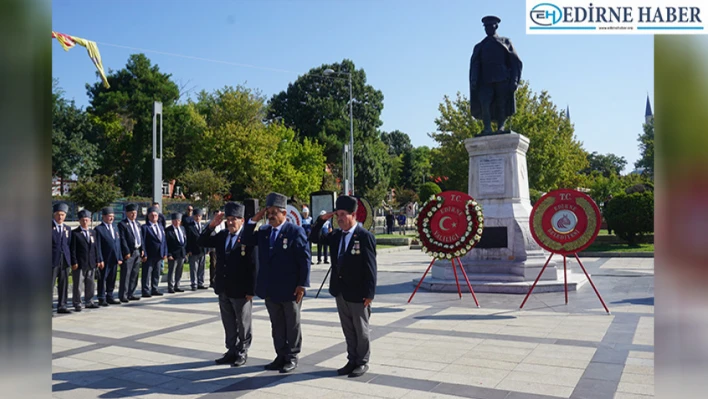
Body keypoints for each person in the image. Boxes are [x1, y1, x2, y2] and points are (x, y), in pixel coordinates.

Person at [241, 192, 310, 374]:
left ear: (284, 214)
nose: (270, 215)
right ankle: (280, 355)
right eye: (268, 212)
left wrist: (302, 284)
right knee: (277, 324)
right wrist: (253, 220)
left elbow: (304, 259)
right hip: (270, 288)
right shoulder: (264, 232)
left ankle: (292, 356)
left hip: (291, 288)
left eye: (274, 212)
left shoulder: (295, 232)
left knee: (292, 324)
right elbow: (246, 239)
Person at [312, 196, 377, 377]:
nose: (339, 218)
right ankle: (352, 359)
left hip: (358, 292)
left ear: (353, 215)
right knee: (348, 329)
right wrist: (321, 220)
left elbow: (371, 266)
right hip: (340, 291)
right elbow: (315, 238)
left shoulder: (364, 237)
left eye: (342, 215)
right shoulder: (336, 235)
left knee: (361, 330)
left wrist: (369, 293)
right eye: (337, 215)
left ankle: (362, 361)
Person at [199, 202, 257, 368]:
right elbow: (201, 241)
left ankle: (242, 351)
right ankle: (231, 350)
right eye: (228, 219)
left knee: (243, 322)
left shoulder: (247, 237)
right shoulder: (222, 235)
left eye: (234, 219)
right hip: (223, 287)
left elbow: (254, 265)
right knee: (228, 322)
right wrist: (211, 225)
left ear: (242, 221)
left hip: (241, 289)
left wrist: (251, 290)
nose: (230, 222)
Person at [469, 15, 523, 135]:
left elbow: (515, 62)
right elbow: (476, 64)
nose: (488, 28)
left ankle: (501, 127)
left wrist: (514, 81)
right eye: (486, 27)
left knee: (501, 103)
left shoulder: (505, 42)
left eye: (490, 26)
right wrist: (474, 79)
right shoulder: (480, 46)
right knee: (484, 102)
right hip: (485, 80)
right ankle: (487, 127)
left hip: (502, 78)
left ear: (496, 26)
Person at [70, 209, 103, 311]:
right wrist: (74, 262)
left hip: (91, 262)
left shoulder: (93, 232)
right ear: (79, 221)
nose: (85, 222)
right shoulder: (75, 233)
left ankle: (89, 301)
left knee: (90, 283)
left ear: (90, 220)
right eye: (83, 220)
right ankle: (77, 303)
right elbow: (73, 249)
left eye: (87, 220)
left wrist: (98, 259)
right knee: (78, 284)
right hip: (80, 263)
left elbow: (96, 247)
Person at [95, 207, 123, 306]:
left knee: (112, 278)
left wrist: (119, 257)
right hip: (105, 258)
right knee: (103, 279)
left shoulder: (115, 227)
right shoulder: (98, 229)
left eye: (112, 216)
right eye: (109, 216)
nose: (111, 218)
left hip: (114, 258)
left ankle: (110, 296)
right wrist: (100, 259)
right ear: (103, 217)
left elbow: (118, 243)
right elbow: (97, 246)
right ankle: (101, 297)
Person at [141, 206, 167, 297]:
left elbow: (163, 240)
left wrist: (165, 252)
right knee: (147, 272)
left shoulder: (160, 227)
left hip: (159, 254)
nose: (154, 217)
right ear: (148, 216)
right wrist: (144, 253)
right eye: (152, 215)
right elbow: (143, 241)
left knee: (157, 272)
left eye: (155, 215)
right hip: (149, 254)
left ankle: (154, 288)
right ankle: (145, 290)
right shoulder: (145, 227)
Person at [118, 203, 143, 302]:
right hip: (129, 252)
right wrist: (126, 251)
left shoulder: (137, 224)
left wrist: (142, 249)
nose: (134, 215)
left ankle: (131, 293)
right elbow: (123, 239)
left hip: (137, 251)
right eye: (132, 213)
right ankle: (123, 295)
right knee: (126, 274)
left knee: (135, 274)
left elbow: (141, 238)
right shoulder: (123, 224)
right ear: (127, 213)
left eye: (135, 213)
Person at [52, 202, 72, 314]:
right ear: (54, 215)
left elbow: (68, 244)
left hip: (64, 261)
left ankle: (62, 305)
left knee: (63, 284)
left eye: (63, 215)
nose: (60, 217)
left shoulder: (67, 229)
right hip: (52, 261)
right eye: (58, 214)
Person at [165, 212, 188, 293]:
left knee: (179, 270)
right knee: (171, 271)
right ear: (172, 221)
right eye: (175, 220)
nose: (176, 222)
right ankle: (170, 287)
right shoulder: (168, 230)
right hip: (173, 254)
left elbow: (185, 241)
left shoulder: (182, 228)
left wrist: (185, 253)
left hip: (181, 253)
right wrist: (168, 254)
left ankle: (177, 285)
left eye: (178, 220)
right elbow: (166, 243)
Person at [185, 208, 207, 290]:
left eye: (199, 216)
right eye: (196, 216)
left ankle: (200, 283)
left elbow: (206, 238)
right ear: (193, 217)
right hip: (193, 250)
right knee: (194, 268)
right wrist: (188, 250)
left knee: (202, 267)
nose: (198, 218)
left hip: (202, 250)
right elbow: (188, 239)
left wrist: (207, 249)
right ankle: (194, 284)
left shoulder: (203, 226)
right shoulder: (190, 226)